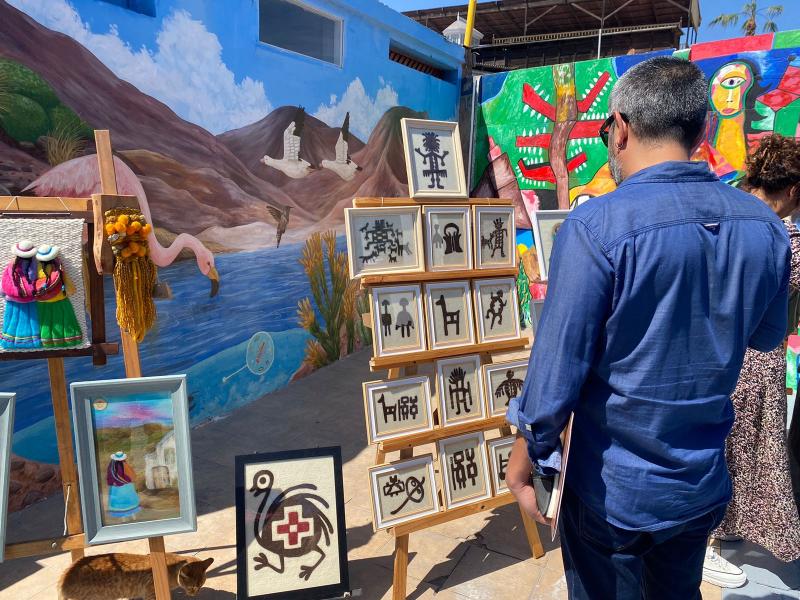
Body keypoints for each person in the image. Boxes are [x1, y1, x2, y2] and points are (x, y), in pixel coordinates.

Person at [505, 56, 791, 599]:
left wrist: (530, 451)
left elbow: (557, 370)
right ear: (704, 127)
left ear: (622, 127)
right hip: (701, 483)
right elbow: (765, 336)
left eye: (605, 129)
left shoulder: (595, 227)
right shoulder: (765, 228)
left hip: (614, 493)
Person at [703, 134, 800, 587]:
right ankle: (705, 541)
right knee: (735, 445)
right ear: (794, 190)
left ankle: (720, 529)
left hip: (714, 349)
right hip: (751, 356)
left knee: (732, 444)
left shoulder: (723, 207)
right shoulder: (777, 232)